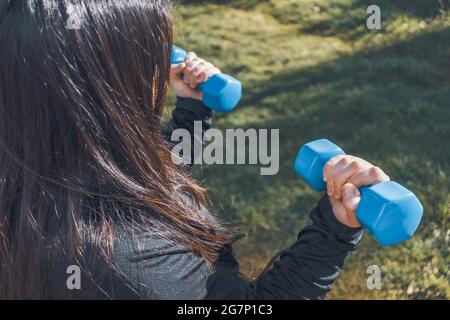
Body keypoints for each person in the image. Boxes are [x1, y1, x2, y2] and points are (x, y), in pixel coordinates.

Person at [0, 0, 390, 299]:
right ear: (107, 87)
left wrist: (192, 112)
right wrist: (335, 229)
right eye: (153, 54)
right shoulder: (137, 263)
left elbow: (127, 176)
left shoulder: (33, 180)